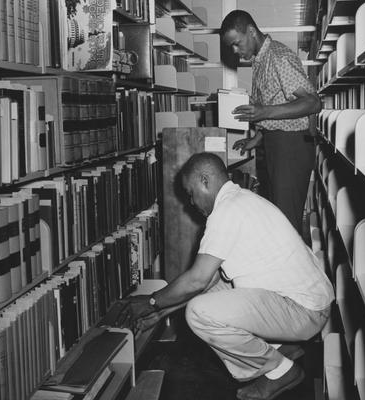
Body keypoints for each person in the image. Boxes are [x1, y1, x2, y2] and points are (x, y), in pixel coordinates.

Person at [130, 152, 334, 400]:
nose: (191, 202)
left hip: (304, 311)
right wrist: (160, 313)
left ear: (205, 180)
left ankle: (281, 371)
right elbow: (208, 283)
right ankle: (283, 348)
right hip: (310, 302)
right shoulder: (242, 199)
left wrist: (151, 301)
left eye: (191, 193)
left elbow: (197, 280)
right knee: (213, 292)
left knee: (199, 313)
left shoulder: (225, 212)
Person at [220, 10, 321, 235]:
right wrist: (255, 140)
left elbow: (313, 103)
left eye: (237, 44)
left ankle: (294, 269)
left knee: (287, 227)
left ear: (252, 31)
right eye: (232, 48)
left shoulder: (278, 57)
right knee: (280, 220)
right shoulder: (261, 61)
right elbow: (277, 107)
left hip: (291, 147)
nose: (235, 52)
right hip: (278, 144)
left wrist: (263, 112)